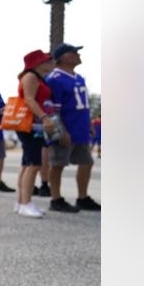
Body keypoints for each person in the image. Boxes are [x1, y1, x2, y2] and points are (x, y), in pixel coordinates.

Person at [45, 44, 100, 212]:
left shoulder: (78, 78)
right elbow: (53, 109)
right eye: (74, 52)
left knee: (86, 162)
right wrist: (61, 130)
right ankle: (56, 199)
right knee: (58, 164)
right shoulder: (54, 79)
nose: (78, 54)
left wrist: (89, 123)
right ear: (63, 58)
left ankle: (82, 197)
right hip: (66, 129)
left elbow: (83, 104)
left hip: (80, 128)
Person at [13, 50, 58, 218]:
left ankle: (21, 201)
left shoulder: (36, 77)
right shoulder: (31, 77)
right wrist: (44, 117)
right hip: (31, 124)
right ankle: (26, 203)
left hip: (34, 125)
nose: (51, 62)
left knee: (27, 164)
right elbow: (29, 99)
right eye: (47, 60)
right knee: (34, 165)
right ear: (38, 63)